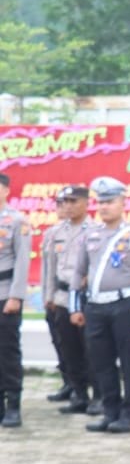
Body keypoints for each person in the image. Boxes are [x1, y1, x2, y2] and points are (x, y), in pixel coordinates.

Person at [70, 176, 130, 434]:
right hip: (95, 307)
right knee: (101, 361)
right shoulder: (90, 235)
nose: (104, 206)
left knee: (128, 361)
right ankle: (109, 412)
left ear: (122, 203)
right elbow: (78, 272)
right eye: (101, 202)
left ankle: (127, 416)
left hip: (125, 305)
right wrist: (75, 307)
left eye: (110, 201)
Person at [44, 185, 99, 415]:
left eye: (73, 201)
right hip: (62, 296)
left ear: (86, 203)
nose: (68, 206)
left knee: (91, 350)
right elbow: (51, 267)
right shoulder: (56, 232)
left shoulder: (95, 230)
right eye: (65, 201)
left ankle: (99, 396)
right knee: (69, 349)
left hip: (85, 297)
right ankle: (78, 394)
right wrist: (49, 296)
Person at [0, 173, 31, 427]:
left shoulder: (17, 221)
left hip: (5, 294)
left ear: (6, 190)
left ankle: (13, 404)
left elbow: (22, 262)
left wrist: (16, 295)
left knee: (7, 352)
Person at [42, 193, 74, 404]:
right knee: (60, 342)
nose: (63, 208)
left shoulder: (89, 232)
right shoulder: (51, 234)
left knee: (78, 346)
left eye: (68, 203)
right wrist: (48, 295)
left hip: (75, 297)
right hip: (55, 295)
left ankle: (82, 385)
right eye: (60, 204)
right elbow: (48, 268)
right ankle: (68, 382)